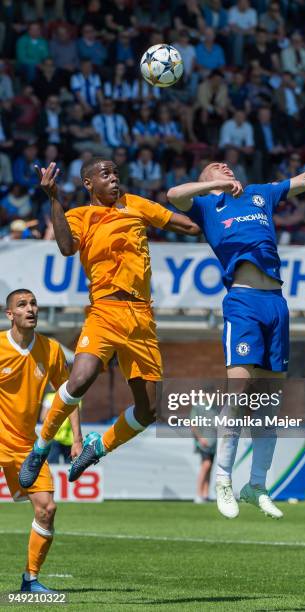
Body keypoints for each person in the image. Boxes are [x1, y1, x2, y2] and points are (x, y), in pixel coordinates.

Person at [167, 148, 305, 518]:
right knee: (238, 392)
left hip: (276, 303)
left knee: (267, 402)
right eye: (214, 168)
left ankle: (257, 484)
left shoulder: (259, 193)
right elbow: (174, 196)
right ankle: (223, 479)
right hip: (243, 301)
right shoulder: (205, 207)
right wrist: (218, 183)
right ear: (207, 182)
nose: (223, 166)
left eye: (226, 166)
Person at [19, 158, 201, 489]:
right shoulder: (79, 216)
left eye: (116, 172)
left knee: (148, 412)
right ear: (88, 184)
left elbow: (190, 227)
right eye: (106, 174)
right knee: (81, 379)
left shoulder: (135, 205)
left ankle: (98, 447)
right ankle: (41, 446)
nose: (114, 178)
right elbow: (65, 247)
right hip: (104, 311)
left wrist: (214, 206)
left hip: (142, 317)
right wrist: (54, 198)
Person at [0, 288, 82, 593]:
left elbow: (68, 395)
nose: (30, 308)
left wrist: (77, 437)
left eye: (33, 303)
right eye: (22, 305)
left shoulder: (51, 350)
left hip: (26, 446)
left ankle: (30, 580)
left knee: (47, 509)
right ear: (10, 315)